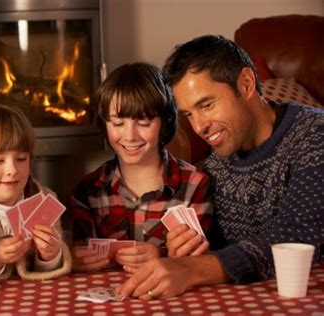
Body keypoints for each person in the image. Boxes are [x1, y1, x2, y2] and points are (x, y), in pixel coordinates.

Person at [118, 35, 324, 300]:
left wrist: (191, 269)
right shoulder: (214, 166)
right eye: (190, 114)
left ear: (246, 84)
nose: (199, 127)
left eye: (206, 105)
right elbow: (222, 251)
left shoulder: (315, 136)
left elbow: (296, 236)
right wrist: (186, 248)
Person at [69, 62, 213, 273]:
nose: (130, 136)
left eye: (143, 123)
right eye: (118, 123)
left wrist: (162, 256)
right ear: (104, 124)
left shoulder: (196, 186)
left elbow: (201, 260)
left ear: (165, 122)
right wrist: (73, 258)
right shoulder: (87, 190)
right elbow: (76, 252)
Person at [0, 102, 72, 284]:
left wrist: (50, 255)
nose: (12, 169)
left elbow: (54, 267)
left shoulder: (43, 200)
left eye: (21, 159)